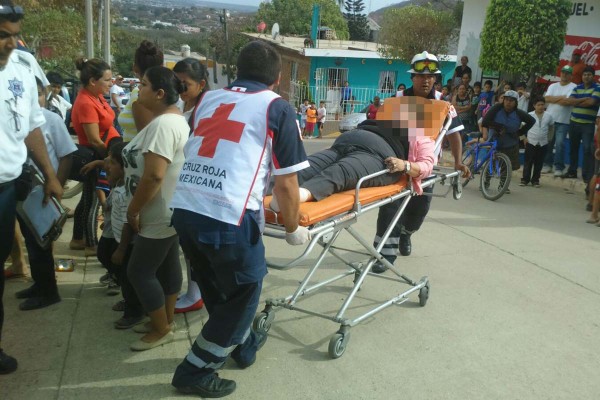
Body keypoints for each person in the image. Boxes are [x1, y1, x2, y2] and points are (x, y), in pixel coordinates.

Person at [169, 41, 309, 398]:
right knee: (245, 294)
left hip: (186, 209)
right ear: (278, 78)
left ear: (236, 71)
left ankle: (242, 348)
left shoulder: (208, 100)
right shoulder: (276, 108)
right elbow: (287, 182)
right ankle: (195, 370)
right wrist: (293, 229)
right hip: (227, 216)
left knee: (218, 287)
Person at [0, 0, 63, 374]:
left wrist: (51, 176)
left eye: (15, 36)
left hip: (5, 190)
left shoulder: (20, 73)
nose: (12, 44)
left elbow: (32, 127)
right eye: (3, 36)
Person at [372, 51, 470, 272]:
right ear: (412, 78)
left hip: (425, 166)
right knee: (390, 206)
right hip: (396, 161)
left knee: (419, 208)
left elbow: (454, 134)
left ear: (435, 79)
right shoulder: (398, 100)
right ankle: (383, 254)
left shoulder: (443, 105)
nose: (426, 80)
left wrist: (458, 162)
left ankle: (407, 233)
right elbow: (383, 130)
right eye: (421, 76)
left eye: (430, 76)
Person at [269, 98, 436, 211]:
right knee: (330, 170)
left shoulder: (421, 137)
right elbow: (427, 165)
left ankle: (284, 193)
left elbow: (426, 166)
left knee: (327, 169)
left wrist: (405, 165)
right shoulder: (392, 126)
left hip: (370, 149)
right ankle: (284, 193)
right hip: (362, 147)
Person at [122, 66, 188, 351]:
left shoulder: (163, 126)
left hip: (157, 210)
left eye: (144, 84)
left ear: (160, 93)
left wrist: (133, 210)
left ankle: (161, 328)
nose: (139, 89)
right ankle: (165, 320)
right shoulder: (172, 121)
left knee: (139, 271)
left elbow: (154, 175)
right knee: (168, 266)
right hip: (168, 209)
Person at [13, 77, 76, 310]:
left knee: (41, 243)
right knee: (31, 241)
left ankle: (48, 291)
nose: (35, 99)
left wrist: (56, 185)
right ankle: (39, 284)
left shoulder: (51, 120)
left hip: (43, 191)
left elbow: (66, 155)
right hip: (21, 190)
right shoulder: (15, 119)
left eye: (39, 94)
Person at [70, 57, 121, 255]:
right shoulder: (85, 102)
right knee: (93, 201)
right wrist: (108, 160)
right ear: (93, 81)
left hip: (103, 154)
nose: (111, 83)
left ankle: (77, 238)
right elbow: (94, 139)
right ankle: (91, 244)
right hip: (95, 156)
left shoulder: (97, 97)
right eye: (107, 80)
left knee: (86, 199)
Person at [172, 57, 210, 314]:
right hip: (182, 182)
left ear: (201, 84)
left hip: (196, 184)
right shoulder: (179, 107)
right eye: (176, 83)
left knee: (194, 247)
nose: (179, 89)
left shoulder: (205, 111)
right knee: (188, 246)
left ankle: (196, 293)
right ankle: (195, 292)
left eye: (184, 84)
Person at [482, 90, 536, 193]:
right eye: (506, 99)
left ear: (516, 102)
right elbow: (485, 122)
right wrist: (500, 127)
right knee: (491, 164)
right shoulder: (497, 108)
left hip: (510, 143)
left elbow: (532, 121)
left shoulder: (518, 113)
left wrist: (520, 132)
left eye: (511, 100)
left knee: (507, 167)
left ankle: (503, 186)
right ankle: (486, 182)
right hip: (495, 140)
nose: (508, 102)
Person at [118, 40, 164, 142]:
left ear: (135, 67)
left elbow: (145, 139)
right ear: (162, 66)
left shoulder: (141, 94)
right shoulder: (161, 92)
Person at [561, 66, 600, 183]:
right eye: (584, 75)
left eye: (589, 75)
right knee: (573, 148)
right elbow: (569, 102)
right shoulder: (577, 87)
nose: (586, 77)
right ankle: (572, 171)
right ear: (582, 76)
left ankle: (587, 175)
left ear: (593, 76)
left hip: (588, 124)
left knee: (587, 149)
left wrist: (577, 101)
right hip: (574, 122)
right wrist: (584, 99)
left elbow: (592, 102)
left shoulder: (598, 88)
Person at [541, 65, 577, 176]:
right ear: (560, 73)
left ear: (571, 75)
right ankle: (547, 165)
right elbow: (546, 99)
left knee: (560, 143)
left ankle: (559, 167)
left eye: (567, 73)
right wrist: (561, 97)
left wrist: (554, 99)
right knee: (548, 143)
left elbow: (567, 102)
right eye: (563, 72)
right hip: (550, 119)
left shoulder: (574, 86)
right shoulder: (553, 85)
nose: (564, 74)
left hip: (564, 120)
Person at [521, 98, 554, 187]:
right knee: (528, 162)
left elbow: (551, 127)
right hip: (531, 141)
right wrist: (523, 137)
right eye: (538, 105)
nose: (541, 107)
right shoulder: (529, 115)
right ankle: (525, 179)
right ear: (534, 106)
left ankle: (535, 180)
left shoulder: (548, 116)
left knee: (539, 163)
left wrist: (549, 139)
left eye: (542, 104)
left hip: (543, 143)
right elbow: (521, 126)